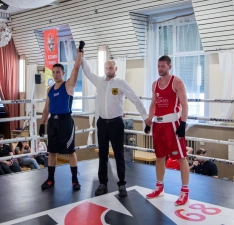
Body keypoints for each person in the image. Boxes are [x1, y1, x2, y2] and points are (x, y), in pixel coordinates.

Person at [81, 52, 150, 197]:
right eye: (106, 68)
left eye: (111, 68)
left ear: (116, 69)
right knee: (103, 155)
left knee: (119, 154)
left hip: (116, 123)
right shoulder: (99, 81)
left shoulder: (121, 83)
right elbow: (87, 71)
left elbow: (135, 99)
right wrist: (82, 55)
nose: (108, 70)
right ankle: (102, 183)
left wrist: (145, 117)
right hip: (102, 123)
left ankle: (122, 184)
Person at [144, 55, 190, 206]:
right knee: (159, 157)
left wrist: (183, 124)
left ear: (169, 67)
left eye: (163, 66)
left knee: (181, 158)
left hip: (172, 125)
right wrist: (149, 121)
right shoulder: (155, 84)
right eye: (158, 66)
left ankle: (184, 191)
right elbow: (153, 104)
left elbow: (184, 104)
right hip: (158, 125)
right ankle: (159, 186)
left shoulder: (177, 82)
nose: (160, 69)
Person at [39, 42, 84, 190]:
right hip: (53, 122)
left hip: (65, 122)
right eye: (54, 72)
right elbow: (46, 108)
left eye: (58, 72)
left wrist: (80, 52)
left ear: (63, 73)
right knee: (51, 151)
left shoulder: (68, 85)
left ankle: (75, 180)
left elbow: (76, 68)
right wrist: (42, 124)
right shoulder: (50, 90)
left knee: (71, 152)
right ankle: (50, 179)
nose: (56, 74)